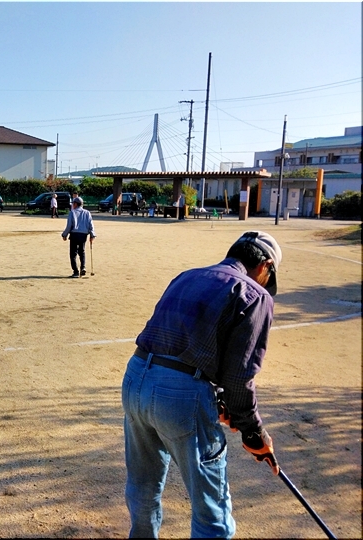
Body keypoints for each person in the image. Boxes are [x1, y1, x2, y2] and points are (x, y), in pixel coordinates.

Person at [122, 231, 282, 538]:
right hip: (180, 395)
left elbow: (184, 343)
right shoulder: (255, 294)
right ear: (266, 266)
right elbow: (239, 377)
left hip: (136, 378)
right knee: (212, 513)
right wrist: (253, 431)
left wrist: (215, 397)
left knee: (142, 486)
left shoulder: (187, 276)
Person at [61, 197, 96, 278]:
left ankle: (76, 272)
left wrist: (64, 235)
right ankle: (83, 267)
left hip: (74, 234)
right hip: (83, 235)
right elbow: (91, 224)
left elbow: (69, 225)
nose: (73, 205)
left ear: (76, 204)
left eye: (73, 203)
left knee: (73, 254)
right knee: (82, 251)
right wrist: (92, 235)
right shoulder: (87, 213)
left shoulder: (72, 212)